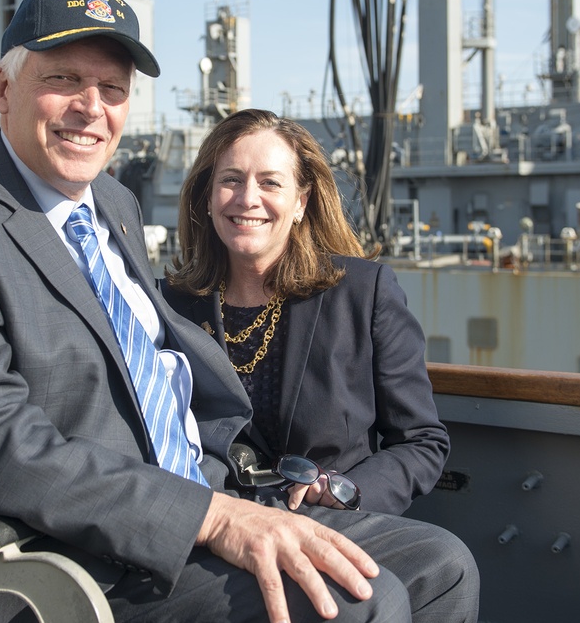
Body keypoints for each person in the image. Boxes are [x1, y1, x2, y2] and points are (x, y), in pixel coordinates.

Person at [0, 0, 478, 623]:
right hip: (59, 563)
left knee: (438, 571)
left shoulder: (110, 204)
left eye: (113, 88)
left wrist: (229, 499)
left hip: (183, 510)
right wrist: (209, 518)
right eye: (62, 78)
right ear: (4, 90)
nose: (91, 108)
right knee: (356, 614)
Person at [163, 109, 448, 516]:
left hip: (327, 523)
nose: (247, 198)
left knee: (449, 562)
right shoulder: (168, 305)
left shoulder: (363, 294)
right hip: (216, 526)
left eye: (270, 183)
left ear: (301, 202)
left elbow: (421, 441)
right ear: (207, 199)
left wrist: (347, 490)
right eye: (230, 180)